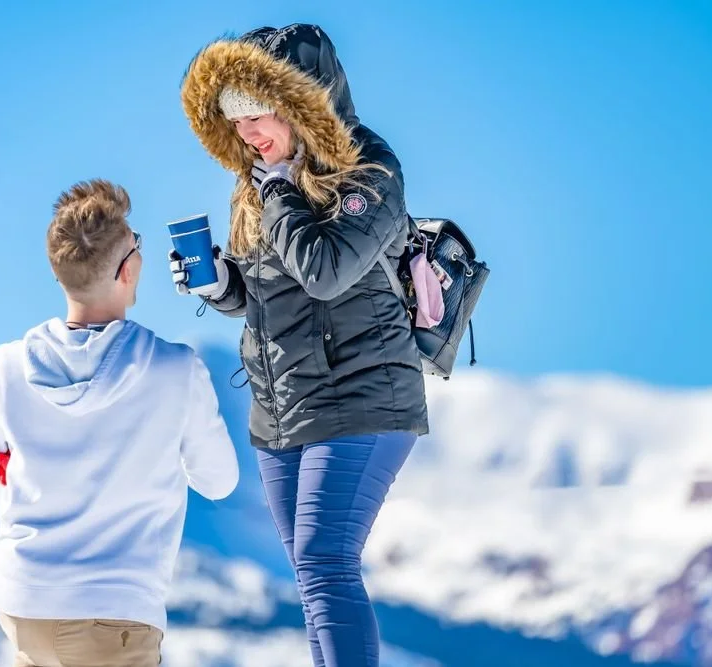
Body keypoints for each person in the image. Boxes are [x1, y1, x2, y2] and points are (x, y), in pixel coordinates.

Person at [172, 24, 430, 667]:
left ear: (303, 105)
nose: (249, 133)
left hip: (365, 396)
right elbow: (267, 293)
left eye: (259, 114)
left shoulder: (370, 171)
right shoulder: (259, 182)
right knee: (315, 579)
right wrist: (218, 281)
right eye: (236, 120)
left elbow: (325, 271)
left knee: (325, 562)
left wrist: (281, 188)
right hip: (284, 410)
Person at [0, 178, 239, 667]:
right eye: (136, 244)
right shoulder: (174, 370)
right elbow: (220, 481)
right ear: (127, 269)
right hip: (113, 610)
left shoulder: (6, 366)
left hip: (24, 601)